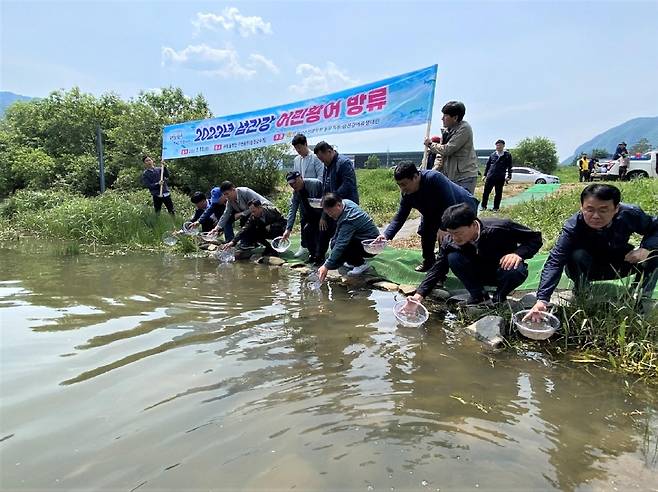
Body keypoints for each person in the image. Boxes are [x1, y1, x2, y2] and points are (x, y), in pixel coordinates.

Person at [526, 184, 658, 320]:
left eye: (603, 210)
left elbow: (655, 228)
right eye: (589, 209)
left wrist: (646, 248)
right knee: (575, 255)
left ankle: (639, 298)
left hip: (619, 262)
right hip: (587, 268)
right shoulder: (573, 226)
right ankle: (583, 294)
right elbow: (555, 262)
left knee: (654, 254)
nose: (595, 216)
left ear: (616, 208)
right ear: (581, 207)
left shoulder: (630, 213)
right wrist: (542, 300)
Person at [410, 203, 542, 306]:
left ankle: (499, 297)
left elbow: (535, 238)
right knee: (453, 258)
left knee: (516, 269)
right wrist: (419, 295)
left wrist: (518, 254)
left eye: (458, 233)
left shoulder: (500, 228)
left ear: (473, 225)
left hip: (501, 271)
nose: (454, 238)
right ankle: (479, 296)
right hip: (476, 272)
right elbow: (437, 269)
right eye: (450, 233)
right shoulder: (449, 240)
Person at [378, 161, 478, 272]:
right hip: (432, 211)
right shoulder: (406, 194)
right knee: (425, 232)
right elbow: (400, 217)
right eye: (399, 185)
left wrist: (443, 228)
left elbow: (450, 203)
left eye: (404, 184)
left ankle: (443, 271)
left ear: (415, 177)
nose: (402, 189)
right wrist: (386, 236)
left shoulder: (434, 178)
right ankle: (429, 261)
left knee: (448, 239)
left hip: (459, 206)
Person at [313, 141, 360, 263]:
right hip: (331, 205)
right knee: (323, 226)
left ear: (329, 151)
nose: (323, 162)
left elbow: (347, 185)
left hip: (345, 207)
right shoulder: (326, 166)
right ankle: (319, 257)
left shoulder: (344, 163)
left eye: (322, 159)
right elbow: (325, 188)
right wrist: (324, 213)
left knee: (342, 235)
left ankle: (351, 260)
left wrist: (331, 199)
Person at [317, 193, 380, 281]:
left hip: (372, 245)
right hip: (361, 238)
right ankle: (352, 261)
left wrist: (326, 266)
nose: (330, 215)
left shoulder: (349, 218)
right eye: (327, 213)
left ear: (338, 205)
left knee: (342, 245)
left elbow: (340, 244)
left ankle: (360, 264)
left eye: (330, 212)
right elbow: (337, 235)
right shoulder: (346, 202)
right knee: (334, 242)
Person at [423, 101, 479, 193]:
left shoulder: (464, 128)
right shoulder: (446, 131)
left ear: (455, 117)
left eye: (445, 116)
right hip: (451, 176)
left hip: (464, 176)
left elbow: (448, 149)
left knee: (464, 205)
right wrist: (433, 171)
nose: (442, 118)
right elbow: (440, 154)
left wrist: (430, 144)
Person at [291, 134, 326, 258]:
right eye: (296, 149)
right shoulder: (296, 160)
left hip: (315, 195)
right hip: (302, 194)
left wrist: (304, 182)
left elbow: (321, 178)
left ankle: (319, 247)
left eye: (299, 147)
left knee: (317, 222)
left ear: (305, 144)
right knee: (303, 220)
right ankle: (303, 245)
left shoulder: (315, 158)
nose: (298, 151)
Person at [281, 171, 324, 265]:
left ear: (300, 177)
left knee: (320, 235)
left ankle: (321, 257)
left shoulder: (316, 184)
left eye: (295, 182)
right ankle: (313, 256)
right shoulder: (296, 193)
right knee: (307, 232)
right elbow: (292, 210)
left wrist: (323, 218)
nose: (293, 186)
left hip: (324, 214)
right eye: (291, 184)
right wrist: (288, 229)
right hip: (309, 215)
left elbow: (327, 200)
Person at [215, 181, 272, 245]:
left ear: (233, 189)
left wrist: (241, 214)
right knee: (228, 220)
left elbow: (256, 207)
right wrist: (217, 227)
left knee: (245, 220)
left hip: (264, 210)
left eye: (227, 194)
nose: (226, 197)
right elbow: (226, 214)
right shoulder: (230, 200)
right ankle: (230, 241)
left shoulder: (245, 192)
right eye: (224, 195)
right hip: (248, 212)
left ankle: (249, 242)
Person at [222, 199, 286, 255]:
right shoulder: (252, 217)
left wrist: (272, 225)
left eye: (254, 211)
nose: (252, 213)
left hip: (277, 231)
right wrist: (232, 242)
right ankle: (268, 247)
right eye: (251, 211)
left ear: (260, 207)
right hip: (264, 231)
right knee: (251, 231)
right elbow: (244, 229)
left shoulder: (272, 210)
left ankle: (276, 247)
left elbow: (284, 222)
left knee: (275, 229)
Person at [481, 139, 513, 211]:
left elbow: (510, 166)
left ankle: (496, 208)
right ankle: (483, 206)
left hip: (500, 177)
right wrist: (484, 175)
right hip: (490, 176)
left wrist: (509, 176)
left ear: (503, 146)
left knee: (498, 193)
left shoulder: (507, 155)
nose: (498, 147)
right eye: (497, 145)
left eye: (500, 145)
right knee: (486, 192)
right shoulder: (492, 155)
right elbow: (488, 165)